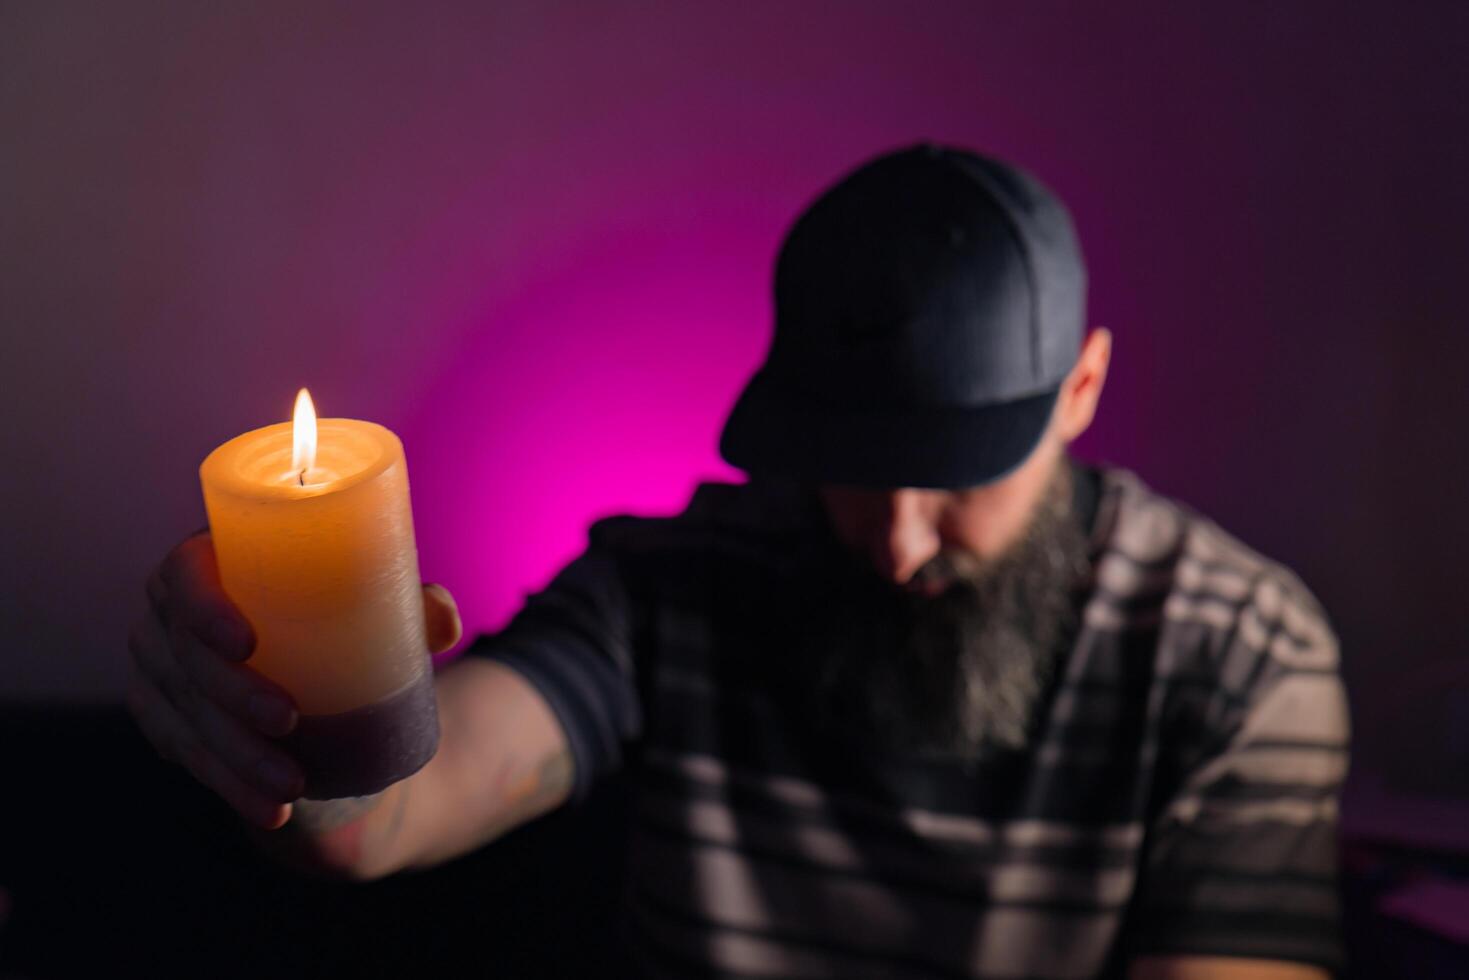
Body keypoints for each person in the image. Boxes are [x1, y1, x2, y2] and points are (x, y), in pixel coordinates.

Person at [128, 144, 1349, 979]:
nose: (896, 536)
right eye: (850, 464)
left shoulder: (1237, 654)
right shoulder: (681, 583)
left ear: (1079, 388)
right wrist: (286, 703)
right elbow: (377, 819)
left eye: (960, 472)